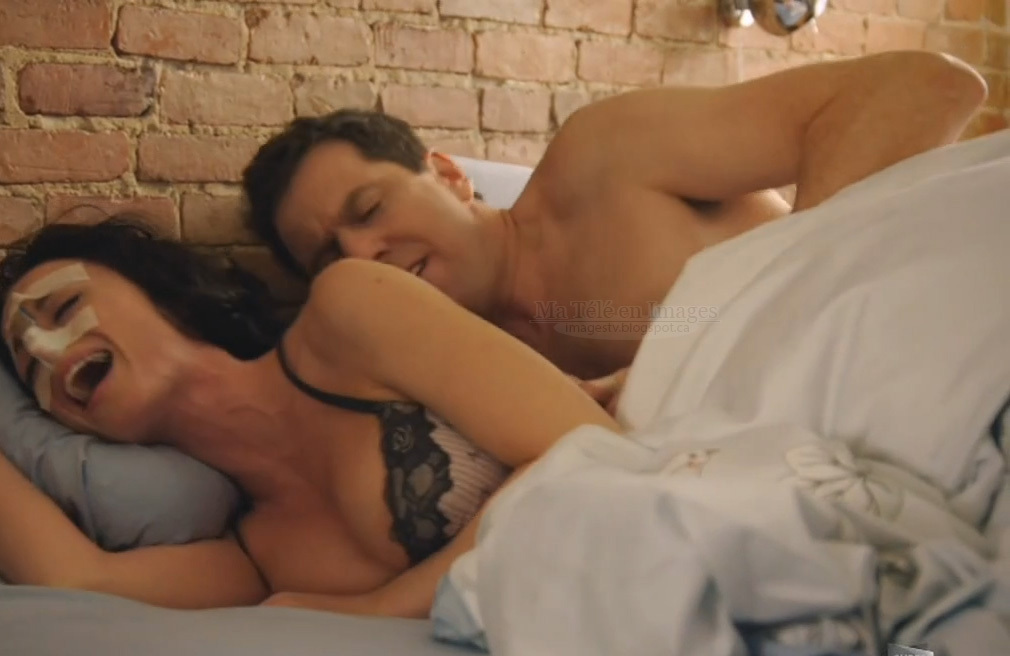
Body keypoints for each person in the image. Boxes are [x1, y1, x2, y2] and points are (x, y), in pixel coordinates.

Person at [0, 217, 618, 618]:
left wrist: (385, 607)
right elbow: (74, 581)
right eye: (26, 364)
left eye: (63, 308)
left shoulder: (351, 311)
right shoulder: (250, 555)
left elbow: (591, 450)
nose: (44, 349)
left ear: (159, 291)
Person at [241, 49, 988, 387]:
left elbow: (925, 86)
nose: (363, 252)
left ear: (448, 175)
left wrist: (771, 314)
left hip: (946, 346)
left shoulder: (603, 161)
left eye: (369, 207)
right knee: (912, 652)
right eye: (329, 258)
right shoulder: (474, 385)